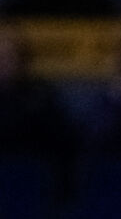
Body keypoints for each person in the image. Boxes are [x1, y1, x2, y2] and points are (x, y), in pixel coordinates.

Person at [0, 27, 79, 165]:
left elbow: (60, 140)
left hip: (29, 172)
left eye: (9, 57)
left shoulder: (41, 97)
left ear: (23, 59)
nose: (3, 64)